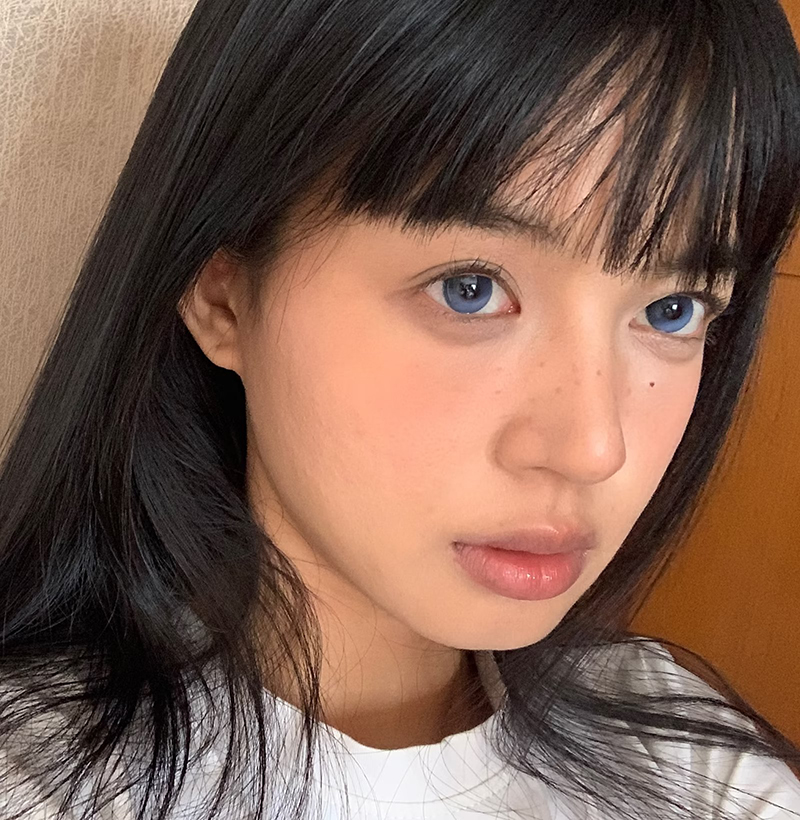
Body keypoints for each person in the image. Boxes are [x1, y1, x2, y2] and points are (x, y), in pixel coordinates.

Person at [1, 0, 800, 817]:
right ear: (224, 297)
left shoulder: (692, 767)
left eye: (672, 309)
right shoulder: (40, 783)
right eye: (469, 289)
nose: (594, 448)